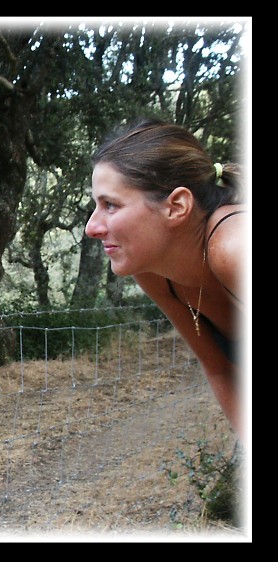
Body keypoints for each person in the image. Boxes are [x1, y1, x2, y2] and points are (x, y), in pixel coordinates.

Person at [85, 118, 247, 438]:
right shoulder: (153, 271)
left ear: (176, 206)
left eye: (111, 205)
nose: (91, 227)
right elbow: (219, 367)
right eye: (95, 205)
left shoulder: (235, 248)